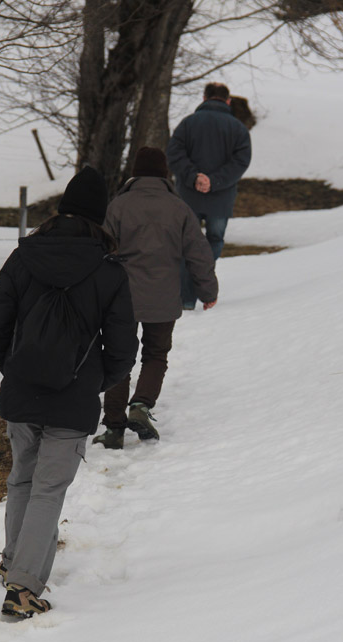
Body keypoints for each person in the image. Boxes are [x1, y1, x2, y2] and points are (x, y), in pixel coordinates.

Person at [0, 166, 138, 618]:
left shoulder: (22, 257)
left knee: (21, 480)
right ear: (99, 217)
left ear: (61, 210)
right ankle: (22, 590)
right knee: (48, 490)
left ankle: (14, 561)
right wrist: (92, 382)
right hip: (74, 399)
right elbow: (124, 348)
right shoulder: (110, 271)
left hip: (22, 391)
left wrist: (13, 369)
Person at [92, 146, 218, 450]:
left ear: (135, 173)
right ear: (165, 174)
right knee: (156, 354)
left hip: (122, 297)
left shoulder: (118, 206)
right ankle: (141, 406)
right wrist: (207, 290)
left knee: (118, 358)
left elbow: (100, 251)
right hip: (163, 297)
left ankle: (113, 428)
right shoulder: (179, 208)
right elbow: (199, 254)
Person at [166, 82, 252, 310]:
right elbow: (241, 162)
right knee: (214, 241)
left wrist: (194, 177)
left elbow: (174, 153)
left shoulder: (187, 124)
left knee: (186, 244)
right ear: (228, 101)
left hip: (188, 197)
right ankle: (203, 287)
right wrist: (214, 181)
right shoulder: (238, 128)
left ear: (204, 98)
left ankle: (185, 299)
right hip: (221, 200)